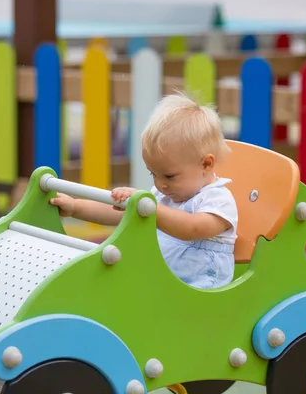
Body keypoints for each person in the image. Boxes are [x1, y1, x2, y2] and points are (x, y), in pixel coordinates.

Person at [51, 91, 238, 289]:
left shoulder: (217, 199)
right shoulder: (163, 196)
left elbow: (191, 228)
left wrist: (151, 209)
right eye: (153, 174)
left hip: (200, 291)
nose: (159, 184)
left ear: (206, 164)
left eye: (169, 176)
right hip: (163, 286)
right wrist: (75, 207)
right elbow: (117, 215)